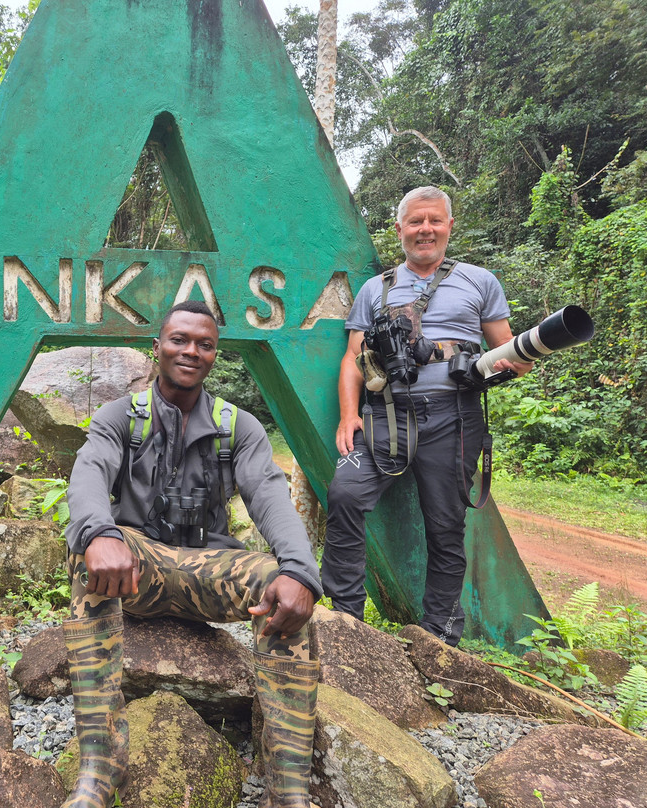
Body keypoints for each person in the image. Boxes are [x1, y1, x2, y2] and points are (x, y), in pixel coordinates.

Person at [62, 300, 321, 808]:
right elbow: (89, 471)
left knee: (283, 586)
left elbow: (269, 495)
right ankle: (101, 766)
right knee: (87, 551)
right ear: (156, 347)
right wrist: (99, 533)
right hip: (138, 569)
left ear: (215, 355)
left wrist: (300, 572)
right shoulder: (121, 416)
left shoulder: (237, 427)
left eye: (205, 344)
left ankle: (287, 790)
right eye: (179, 339)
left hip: (210, 571)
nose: (191, 351)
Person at [321, 186, 531, 646]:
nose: (425, 230)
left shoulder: (480, 281)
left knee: (445, 524)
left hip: (454, 417)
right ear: (399, 229)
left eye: (434, 220)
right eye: (415, 222)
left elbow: (512, 350)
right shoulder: (375, 289)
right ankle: (344, 625)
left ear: (449, 225)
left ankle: (438, 637)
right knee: (344, 495)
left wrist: (490, 361)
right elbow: (352, 358)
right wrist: (348, 415)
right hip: (385, 415)